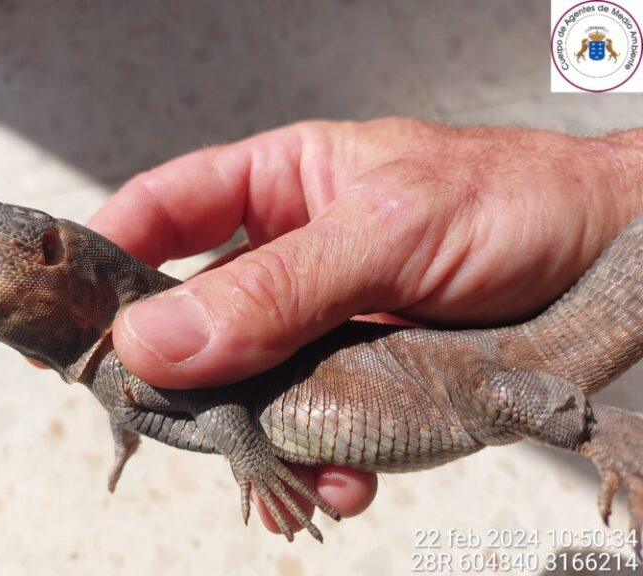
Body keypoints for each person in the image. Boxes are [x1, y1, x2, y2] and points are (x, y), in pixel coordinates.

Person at [87, 117, 643, 536]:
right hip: (430, 385)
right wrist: (614, 177)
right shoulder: (112, 364)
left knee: (498, 392)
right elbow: (158, 401)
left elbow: (213, 400)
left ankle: (608, 433)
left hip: (455, 384)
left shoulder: (148, 338)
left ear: (47, 249)